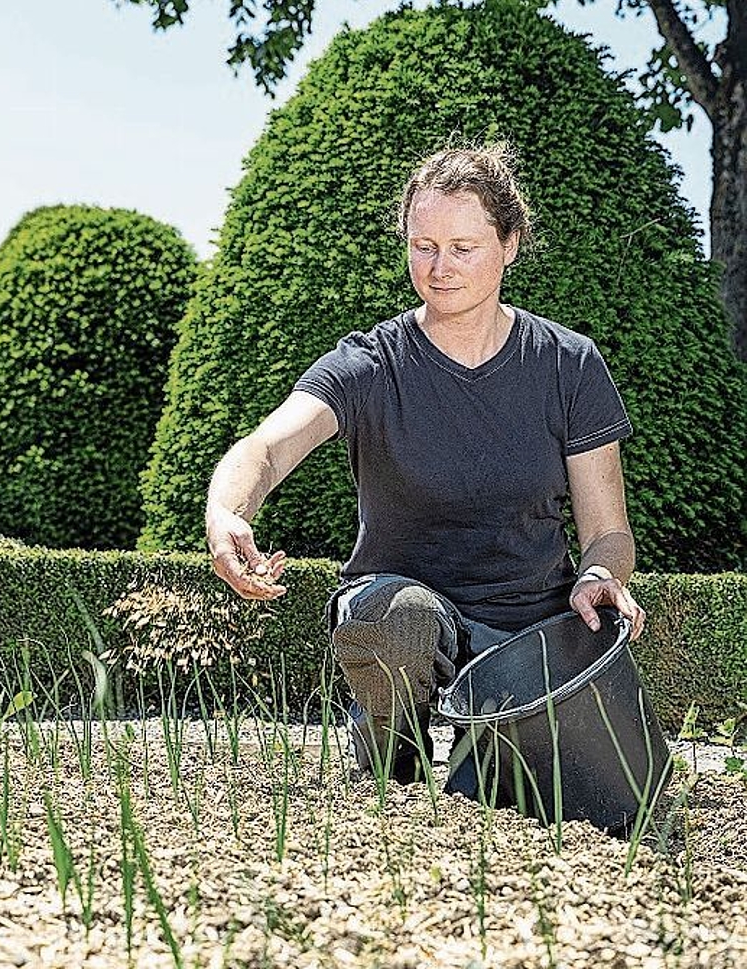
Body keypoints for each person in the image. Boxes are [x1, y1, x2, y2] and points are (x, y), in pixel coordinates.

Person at [205, 143, 646, 794]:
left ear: (511, 244)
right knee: (396, 617)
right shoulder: (370, 364)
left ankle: (496, 729)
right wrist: (227, 511)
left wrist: (602, 574)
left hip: (527, 624)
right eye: (423, 246)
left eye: (462, 248)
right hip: (397, 610)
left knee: (554, 791)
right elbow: (266, 447)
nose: (438, 268)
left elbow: (608, 530)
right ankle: (392, 741)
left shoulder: (568, 364)